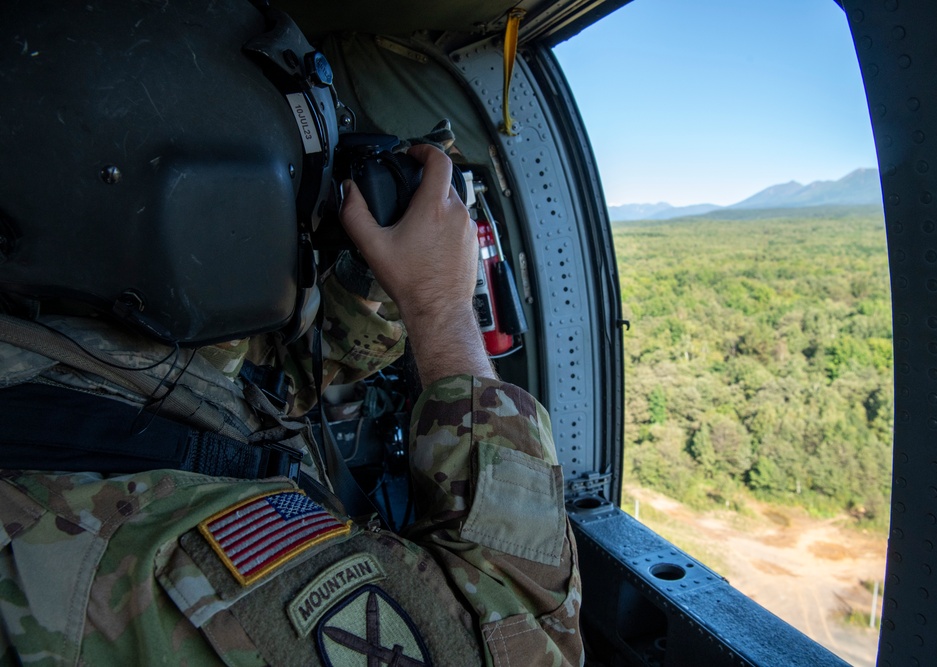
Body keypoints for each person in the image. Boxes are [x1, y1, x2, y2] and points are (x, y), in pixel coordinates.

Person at [0, 2, 582, 665]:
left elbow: (255, 394)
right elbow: (531, 644)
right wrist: (443, 309)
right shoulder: (189, 572)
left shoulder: (65, 357)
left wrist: (377, 284)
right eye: (295, 196)